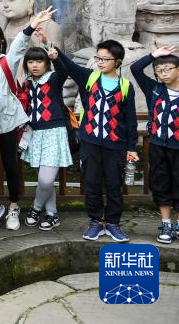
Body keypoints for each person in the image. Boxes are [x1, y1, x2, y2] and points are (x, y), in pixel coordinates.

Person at [50, 39, 138, 242]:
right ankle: (96, 221)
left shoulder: (125, 86)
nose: (100, 62)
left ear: (118, 62)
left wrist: (131, 147)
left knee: (114, 185)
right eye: (98, 57)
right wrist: (52, 47)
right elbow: (70, 66)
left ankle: (113, 223)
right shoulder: (88, 77)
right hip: (90, 142)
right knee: (92, 183)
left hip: (115, 144)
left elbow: (130, 120)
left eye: (105, 59)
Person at [0, 12, 38, 232]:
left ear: (0, 40)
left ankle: (13, 206)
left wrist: (31, 26)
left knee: (11, 165)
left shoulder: (6, 60)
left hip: (7, 120)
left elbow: (20, 45)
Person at [16, 30, 71, 233]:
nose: (35, 65)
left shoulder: (53, 79)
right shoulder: (27, 83)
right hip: (35, 134)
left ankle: (35, 209)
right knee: (44, 181)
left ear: (46, 63)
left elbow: (64, 71)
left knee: (46, 180)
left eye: (39, 61)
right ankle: (52, 214)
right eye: (30, 62)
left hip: (54, 132)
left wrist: (50, 48)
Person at [130, 45, 179, 244]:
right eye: (159, 70)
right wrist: (154, 55)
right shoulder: (155, 89)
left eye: (168, 69)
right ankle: (166, 224)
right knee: (160, 183)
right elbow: (135, 69)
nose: (163, 73)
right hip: (158, 146)